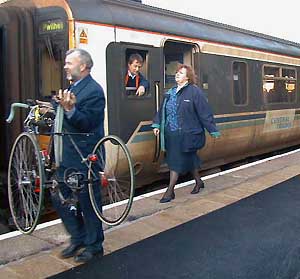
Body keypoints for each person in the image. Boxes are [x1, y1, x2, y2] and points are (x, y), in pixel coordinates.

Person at [39, 48, 105, 262]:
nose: (65, 66)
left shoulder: (94, 90)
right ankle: (78, 238)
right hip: (65, 157)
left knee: (88, 202)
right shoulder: (73, 88)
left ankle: (94, 245)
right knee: (60, 197)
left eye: (69, 62)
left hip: (85, 157)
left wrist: (70, 111)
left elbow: (87, 123)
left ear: (83, 66)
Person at [152, 64, 220, 203]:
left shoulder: (195, 92)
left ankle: (170, 192)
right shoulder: (170, 92)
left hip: (186, 134)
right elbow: (162, 110)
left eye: (181, 73)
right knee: (190, 159)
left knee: (175, 162)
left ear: (188, 77)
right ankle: (198, 182)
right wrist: (157, 124)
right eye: (177, 72)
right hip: (171, 134)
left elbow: (204, 112)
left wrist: (212, 129)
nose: (177, 74)